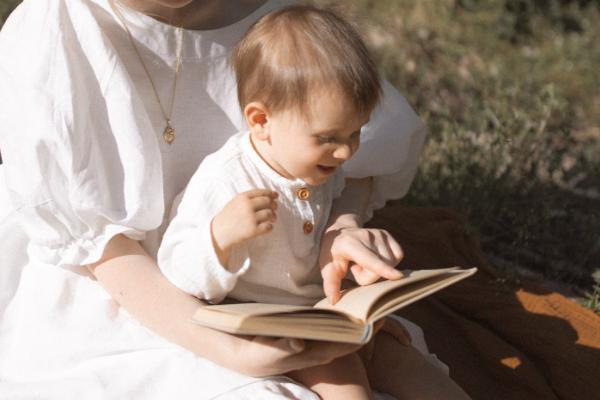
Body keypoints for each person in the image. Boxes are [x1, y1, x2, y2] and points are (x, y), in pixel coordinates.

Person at [0, 0, 470, 399]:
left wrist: (339, 230)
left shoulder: (284, 26)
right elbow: (99, 247)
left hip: (293, 290)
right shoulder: (54, 35)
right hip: (125, 293)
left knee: (410, 374)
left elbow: (349, 161)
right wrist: (233, 351)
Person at [157, 6, 403, 399]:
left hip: (313, 316)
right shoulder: (227, 180)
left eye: (355, 134)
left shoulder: (319, 169)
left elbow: (334, 213)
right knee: (350, 390)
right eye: (327, 138)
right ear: (260, 121)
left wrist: (354, 266)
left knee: (407, 370)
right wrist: (220, 238)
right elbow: (176, 268)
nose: (344, 153)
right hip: (252, 323)